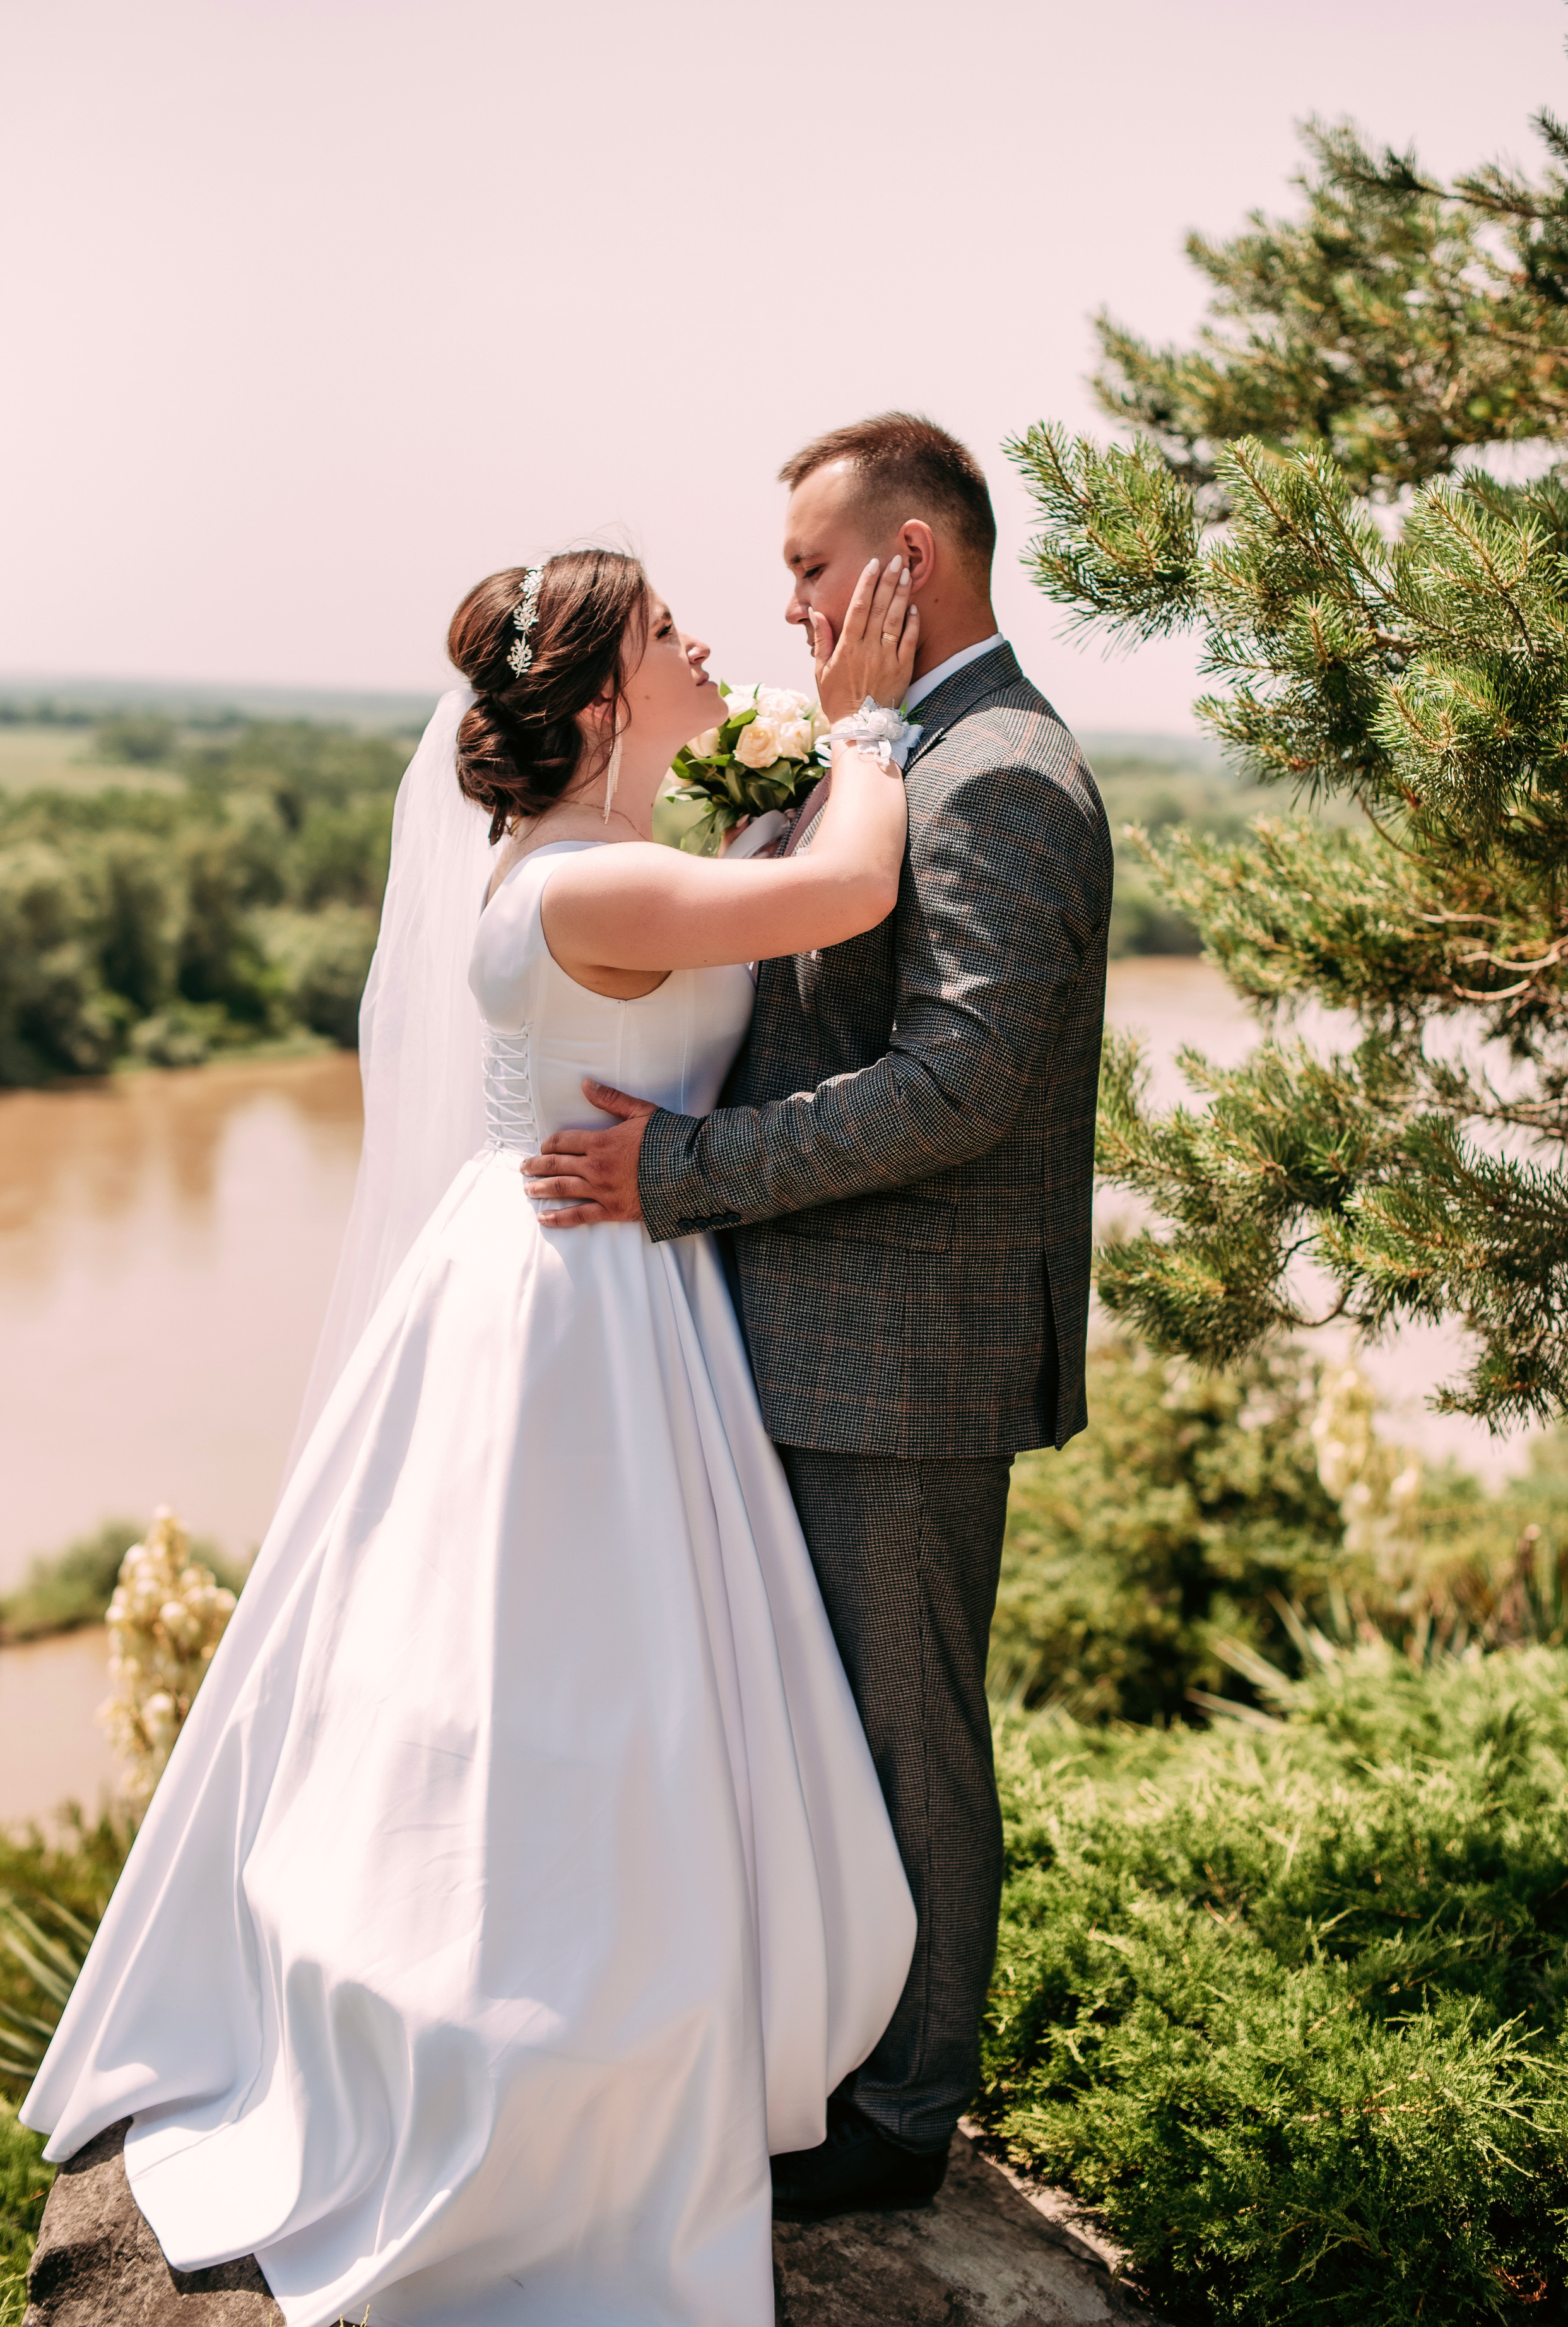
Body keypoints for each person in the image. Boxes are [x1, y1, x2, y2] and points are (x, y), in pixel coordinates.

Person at [22, 547, 925, 2327]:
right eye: (669, 634)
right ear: (599, 700)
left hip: (584, 1268)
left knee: (578, 1675)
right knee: (573, 1677)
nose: (703, 645)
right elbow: (845, 889)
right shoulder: (587, 890)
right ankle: (548, 2050)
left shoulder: (601, 861)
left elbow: (746, 895)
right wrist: (871, 723)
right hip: (576, 1303)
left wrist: (771, 778)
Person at [521, 415, 1114, 2220]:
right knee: (806, 1729)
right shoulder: (886, 753)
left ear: (904, 564)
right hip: (787, 1339)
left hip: (903, 1359)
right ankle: (813, 2045)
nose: (780, 602)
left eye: (804, 566)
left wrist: (682, 1173)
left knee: (907, 1735)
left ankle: (907, 2106)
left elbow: (955, 1090)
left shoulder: (1000, 772)